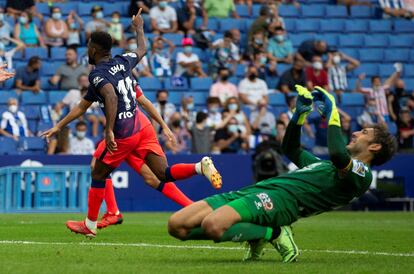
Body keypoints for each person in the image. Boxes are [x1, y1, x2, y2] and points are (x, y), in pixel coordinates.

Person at [168, 85, 397, 263]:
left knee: (214, 226)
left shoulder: (361, 174)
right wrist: (299, 115)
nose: (356, 132)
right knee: (177, 225)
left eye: (364, 132)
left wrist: (332, 112)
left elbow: (338, 153)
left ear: (375, 147)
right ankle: (259, 234)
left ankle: (273, 232)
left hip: (283, 202)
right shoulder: (322, 165)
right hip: (260, 190)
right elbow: (291, 149)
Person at [42, 10, 222, 237]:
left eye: (89, 45)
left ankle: (91, 223)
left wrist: (108, 130)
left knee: (98, 173)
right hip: (141, 125)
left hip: (123, 133)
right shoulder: (123, 62)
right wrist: (139, 28)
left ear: (94, 49)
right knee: (161, 174)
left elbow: (110, 96)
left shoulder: (98, 75)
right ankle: (199, 167)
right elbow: (142, 50)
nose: (87, 48)